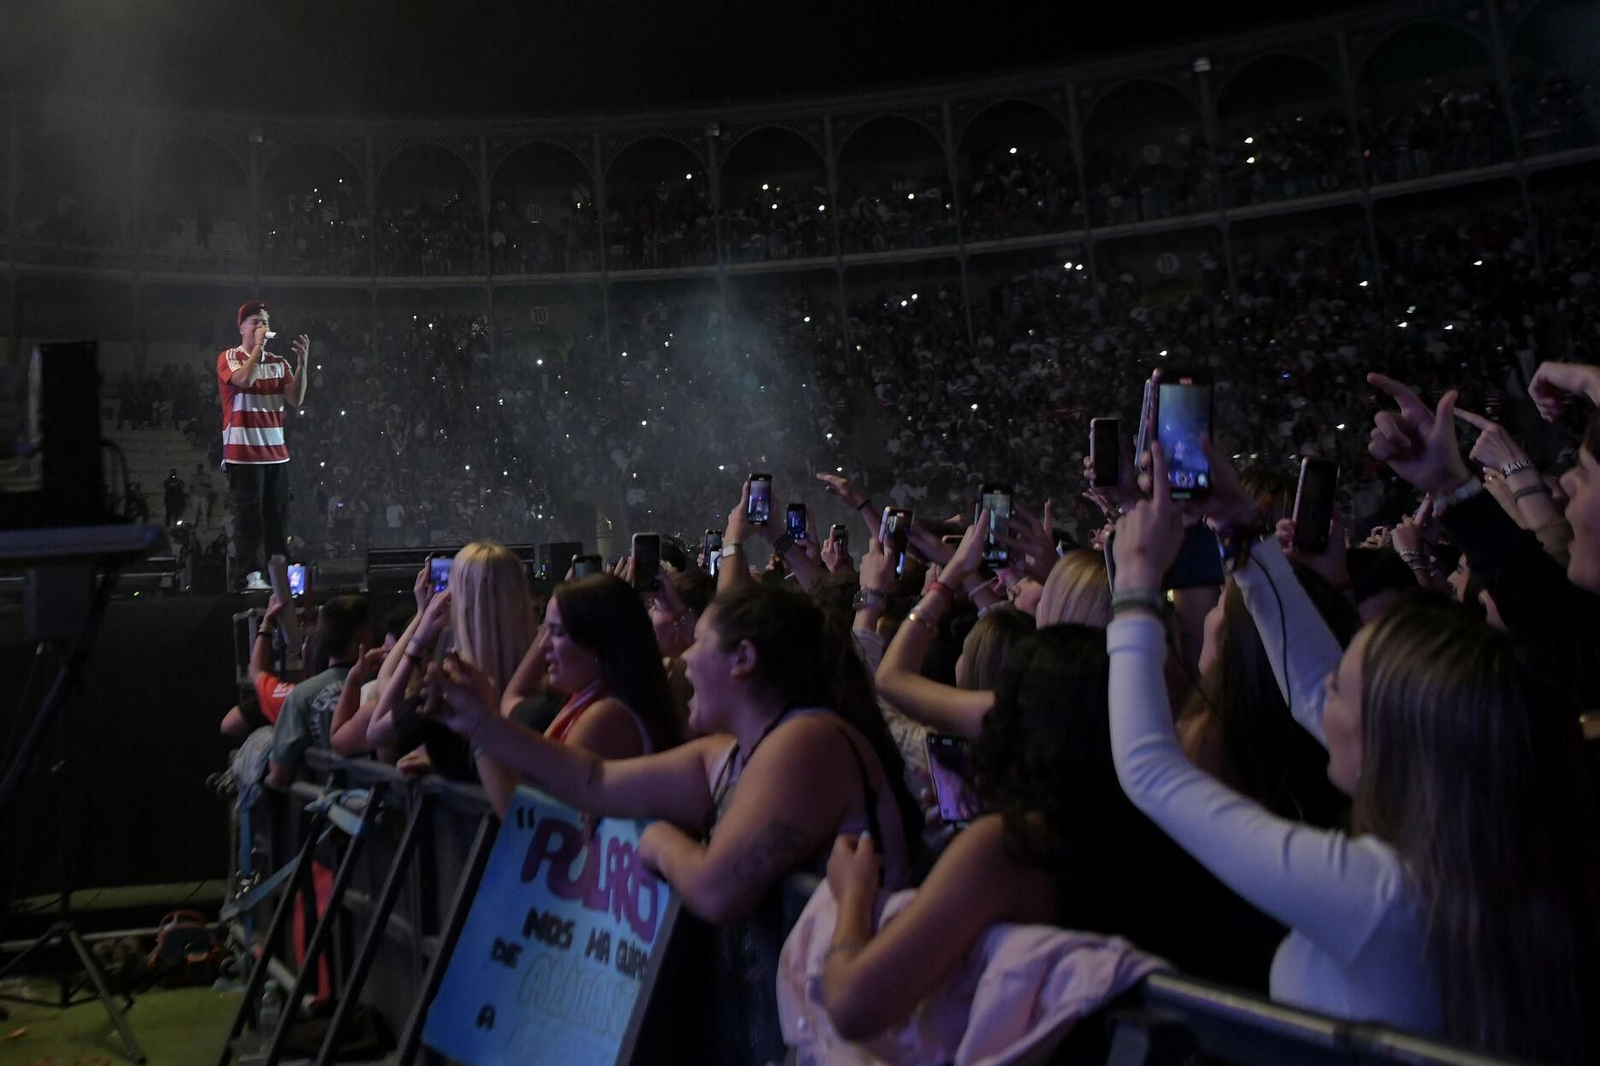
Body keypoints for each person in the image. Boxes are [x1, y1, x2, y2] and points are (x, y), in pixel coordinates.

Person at [1106, 441, 1600, 1060]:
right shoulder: (1503, 862)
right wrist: (1239, 531)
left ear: (1390, 747)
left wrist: (1135, 583)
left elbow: (1150, 772)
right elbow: (1309, 680)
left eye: (1345, 689)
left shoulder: (1381, 898)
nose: (1323, 692)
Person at [429, 582, 922, 1065]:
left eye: (701, 642)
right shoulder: (727, 755)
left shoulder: (808, 741)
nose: (684, 660)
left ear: (743, 659)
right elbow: (595, 779)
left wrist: (656, 838)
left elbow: (716, 890)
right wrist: (484, 725)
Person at [368, 542, 536, 804]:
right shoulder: (547, 687)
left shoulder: (449, 692)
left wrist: (419, 635)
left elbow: (376, 733)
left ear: (460, 602)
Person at [217, 301, 311, 592]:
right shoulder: (229, 357)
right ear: (242, 326)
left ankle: (277, 576)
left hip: (276, 455)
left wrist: (302, 365)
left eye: (265, 322)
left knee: (277, 520)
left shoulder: (278, 363)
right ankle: (249, 576)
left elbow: (296, 399)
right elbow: (243, 379)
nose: (262, 327)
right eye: (256, 321)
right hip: (243, 455)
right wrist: (257, 349)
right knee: (249, 519)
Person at [266, 595, 369, 787]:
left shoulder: (301, 695)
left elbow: (280, 775)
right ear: (363, 635)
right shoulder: (388, 686)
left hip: (328, 808)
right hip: (385, 806)